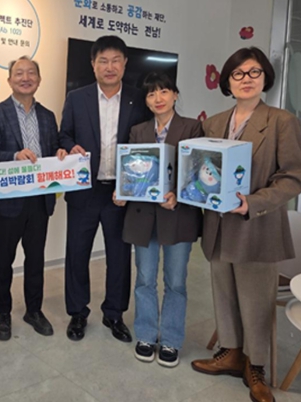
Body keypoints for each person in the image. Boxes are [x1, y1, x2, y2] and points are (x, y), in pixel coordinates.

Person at [190, 47, 301, 402]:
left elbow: (293, 177)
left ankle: (256, 367)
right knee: (224, 293)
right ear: (227, 81)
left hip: (257, 225)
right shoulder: (213, 123)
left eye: (254, 72)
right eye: (238, 73)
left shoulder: (281, 121)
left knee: (256, 302)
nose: (246, 79)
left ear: (265, 77)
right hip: (217, 225)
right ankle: (230, 353)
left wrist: (252, 203)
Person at [59, 35, 149, 342]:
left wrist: (131, 186)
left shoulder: (139, 99)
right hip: (84, 190)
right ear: (93, 65)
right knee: (77, 253)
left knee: (119, 256)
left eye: (115, 61)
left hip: (120, 193)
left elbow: (146, 144)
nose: (109, 67)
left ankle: (114, 313)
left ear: (125, 64)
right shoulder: (77, 98)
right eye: (103, 61)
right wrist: (69, 146)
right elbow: (64, 135)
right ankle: (77, 312)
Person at [113, 72, 202, 367]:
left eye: (164, 91)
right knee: (144, 280)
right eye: (151, 94)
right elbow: (131, 172)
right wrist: (122, 192)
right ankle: (146, 335)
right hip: (143, 216)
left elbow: (197, 173)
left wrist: (179, 195)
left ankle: (172, 339)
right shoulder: (138, 131)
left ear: (175, 95)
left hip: (177, 215)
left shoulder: (192, 128)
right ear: (147, 101)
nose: (158, 98)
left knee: (175, 282)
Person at [0, 56, 67, 341]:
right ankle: (3, 313)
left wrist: (60, 153)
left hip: (39, 199)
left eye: (31, 73)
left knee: (35, 259)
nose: (25, 78)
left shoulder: (47, 115)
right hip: (8, 199)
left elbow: (55, 148)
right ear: (9, 80)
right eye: (19, 73)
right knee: (4, 260)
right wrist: (13, 156)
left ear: (39, 79)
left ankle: (33, 310)